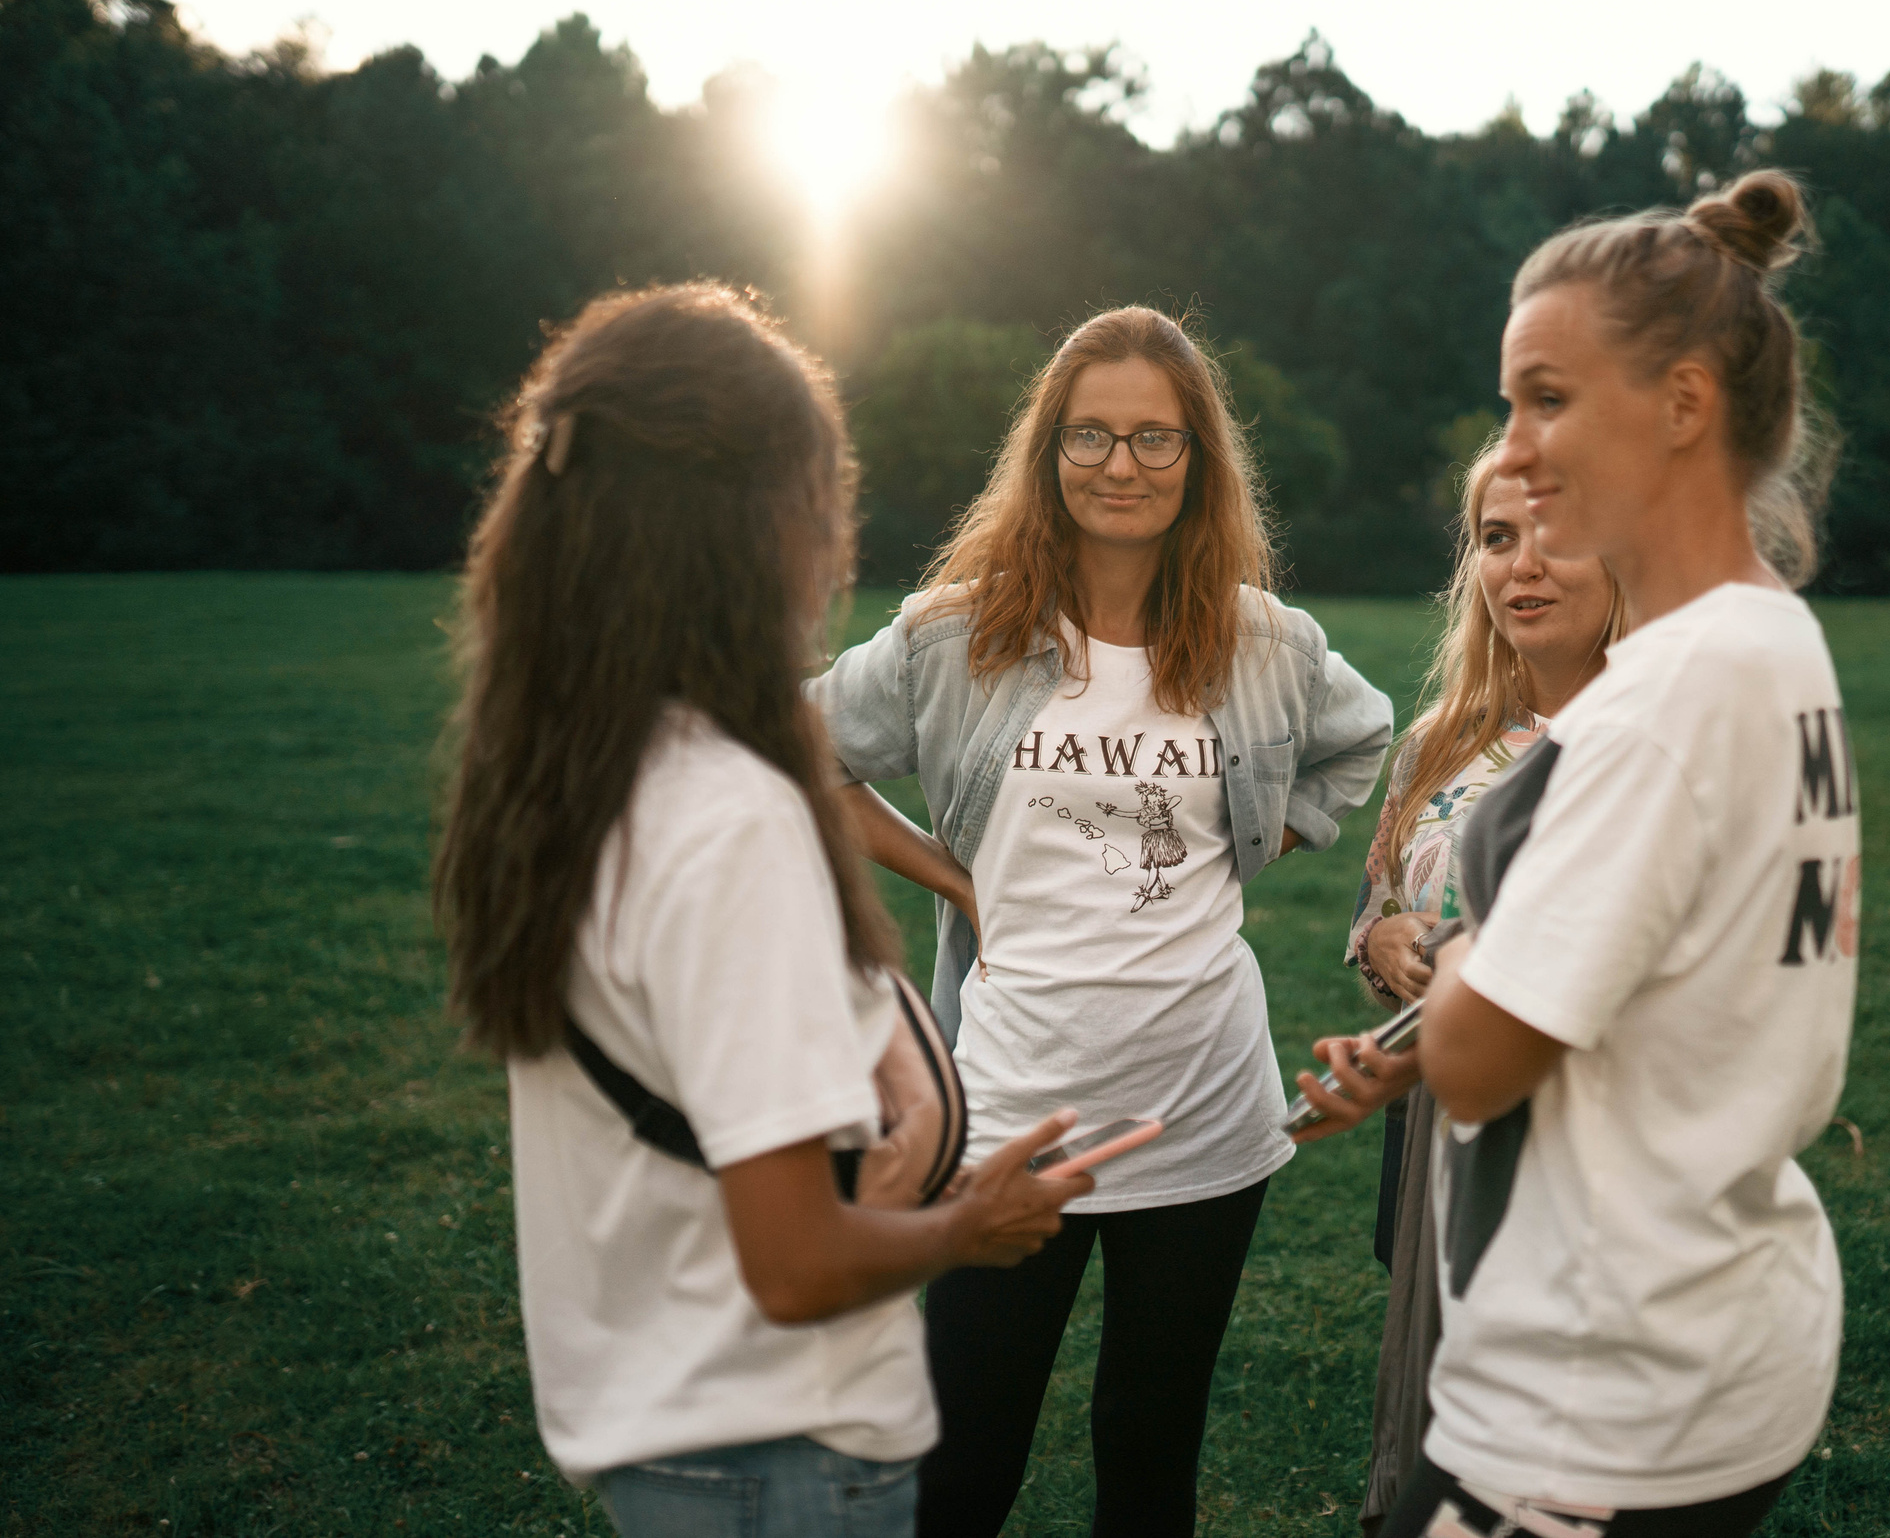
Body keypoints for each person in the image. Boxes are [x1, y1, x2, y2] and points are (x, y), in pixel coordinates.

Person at [432, 284, 1090, 1538]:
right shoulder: (728, 818)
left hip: (671, 1444)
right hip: (781, 1458)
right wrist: (971, 1223)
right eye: (826, 494)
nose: (837, 540)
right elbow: (794, 1265)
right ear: (748, 523)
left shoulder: (580, 774)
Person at [1297, 173, 1857, 1538]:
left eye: (1548, 396)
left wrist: (1473, 943)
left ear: (1684, 403)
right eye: (1511, 402)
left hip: (1603, 1390)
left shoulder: (1652, 708)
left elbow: (1486, 1055)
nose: (1519, 447)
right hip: (1723, 1324)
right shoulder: (1774, 636)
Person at [808, 305, 1395, 1538]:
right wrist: (955, 880)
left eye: (1154, 439)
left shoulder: (1258, 641)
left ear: (1197, 463)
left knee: (1148, 1450)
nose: (1120, 465)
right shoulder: (955, 634)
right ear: (1048, 452)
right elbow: (797, 747)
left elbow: (1363, 737)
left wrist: (1255, 842)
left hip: (1203, 1107)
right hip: (1010, 1097)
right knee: (961, 1463)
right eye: (1089, 435)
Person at [1321, 441, 1622, 1535]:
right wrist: (1388, 939)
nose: (1523, 566)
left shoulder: (1645, 745)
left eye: (1556, 536)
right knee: (1439, 1425)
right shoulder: (1435, 747)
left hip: (1589, 1161)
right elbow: (1373, 923)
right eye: (1498, 539)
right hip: (1440, 1144)